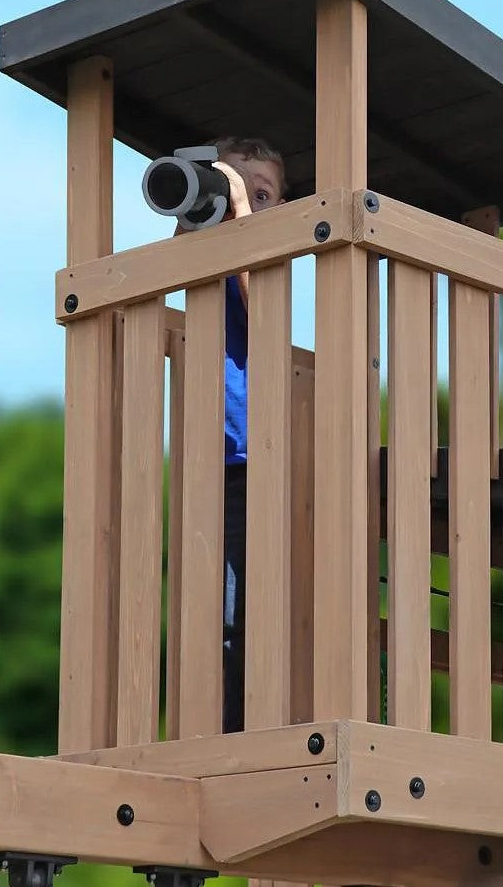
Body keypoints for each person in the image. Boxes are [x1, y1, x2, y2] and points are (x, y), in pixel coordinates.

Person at [175, 136, 286, 732]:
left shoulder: (268, 266)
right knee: (207, 618)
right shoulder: (207, 264)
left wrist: (245, 215)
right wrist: (200, 206)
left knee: (249, 615)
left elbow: (263, 311)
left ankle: (244, 734)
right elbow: (172, 266)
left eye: (265, 195)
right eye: (237, 187)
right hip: (205, 466)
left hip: (254, 462)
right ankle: (211, 734)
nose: (249, 202)